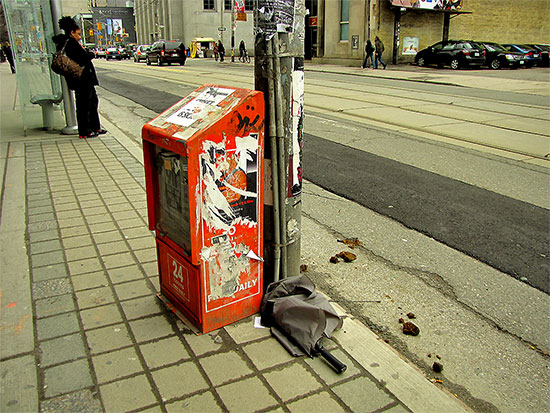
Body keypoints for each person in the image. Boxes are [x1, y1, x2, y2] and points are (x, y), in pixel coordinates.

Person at [52, 16, 107, 139]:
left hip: (83, 79)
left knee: (92, 102)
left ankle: (94, 127)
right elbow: (81, 59)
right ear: (71, 32)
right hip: (81, 79)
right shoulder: (70, 43)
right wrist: (91, 54)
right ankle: (85, 130)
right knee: (84, 105)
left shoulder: (68, 43)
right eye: (78, 33)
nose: (80, 36)